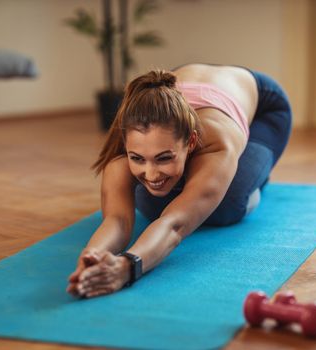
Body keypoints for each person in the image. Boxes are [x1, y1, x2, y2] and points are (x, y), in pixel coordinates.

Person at [66, 63, 292, 298]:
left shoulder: (218, 141)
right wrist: (92, 256)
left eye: (164, 158)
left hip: (264, 108)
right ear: (127, 143)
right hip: (194, 86)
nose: (151, 174)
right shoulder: (132, 132)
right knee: (154, 199)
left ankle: (255, 178)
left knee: (226, 204)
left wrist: (127, 267)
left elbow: (175, 224)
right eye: (138, 158)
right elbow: (117, 219)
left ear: (192, 142)